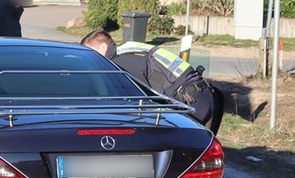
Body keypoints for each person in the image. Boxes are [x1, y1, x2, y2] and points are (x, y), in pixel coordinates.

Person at [81, 29, 224, 133]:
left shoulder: (122, 61)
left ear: (103, 47)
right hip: (198, 96)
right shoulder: (127, 51)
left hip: (190, 101)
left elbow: (139, 100)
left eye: (91, 52)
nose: (91, 58)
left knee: (177, 152)